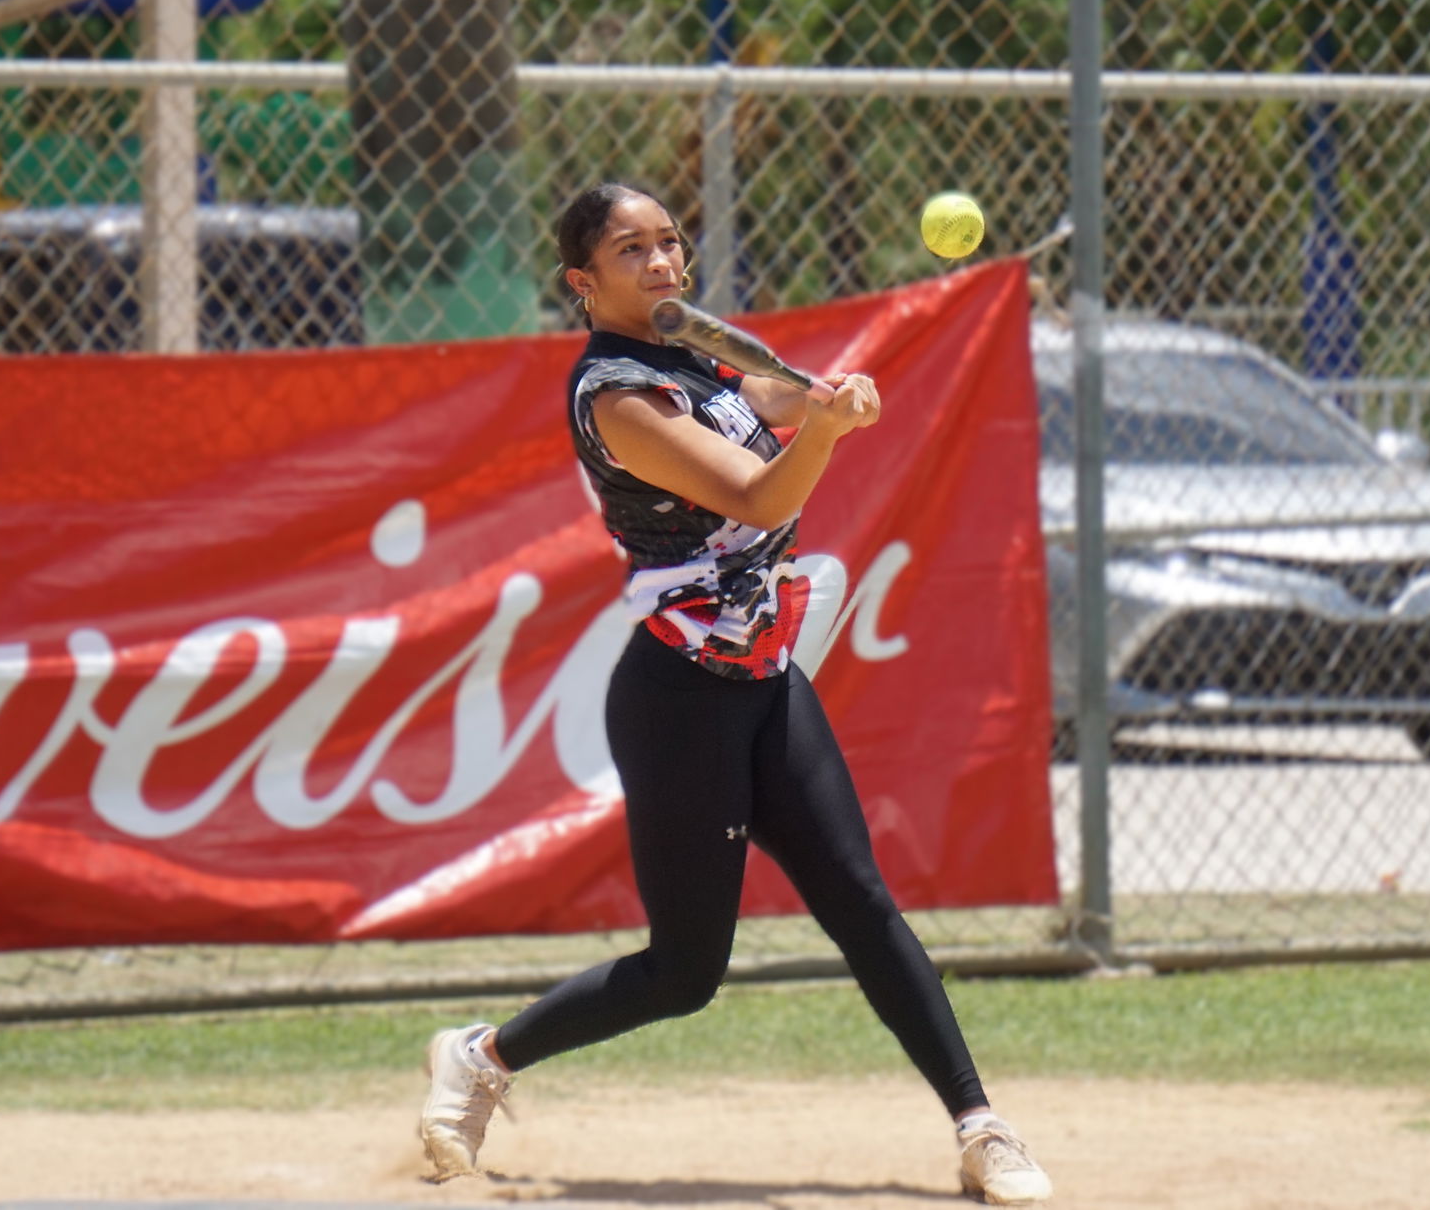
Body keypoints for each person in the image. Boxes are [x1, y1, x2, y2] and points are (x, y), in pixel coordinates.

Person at [417, 182, 1052, 1204]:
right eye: (632, 252)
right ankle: (481, 1058)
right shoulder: (613, 394)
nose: (664, 262)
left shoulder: (693, 353)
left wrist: (817, 399)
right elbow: (758, 493)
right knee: (685, 974)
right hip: (677, 699)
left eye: (669, 242)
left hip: (764, 677)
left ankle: (982, 1129)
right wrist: (825, 434)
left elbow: (760, 404)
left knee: (859, 898)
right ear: (583, 283)